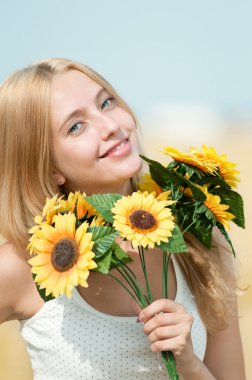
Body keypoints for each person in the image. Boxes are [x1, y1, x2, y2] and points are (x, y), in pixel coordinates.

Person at [0, 58, 246, 380]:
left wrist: (189, 364)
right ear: (49, 167)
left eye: (106, 102)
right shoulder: (26, 266)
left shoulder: (197, 239)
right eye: (76, 126)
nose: (110, 125)